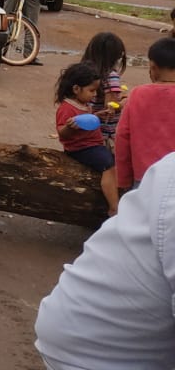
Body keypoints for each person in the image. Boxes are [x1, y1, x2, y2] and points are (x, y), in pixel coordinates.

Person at [35, 152, 175, 369]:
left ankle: (116, 204)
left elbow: (124, 137)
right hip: (100, 354)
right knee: (108, 167)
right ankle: (114, 205)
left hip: (86, 333)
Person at [53, 63, 119, 216]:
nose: (95, 94)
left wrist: (97, 115)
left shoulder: (83, 103)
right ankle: (114, 207)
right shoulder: (67, 108)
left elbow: (86, 121)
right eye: (92, 90)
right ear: (76, 89)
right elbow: (62, 132)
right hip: (82, 148)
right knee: (110, 166)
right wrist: (70, 127)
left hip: (92, 145)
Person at [115, 37, 175, 193]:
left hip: (144, 180)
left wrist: (123, 179)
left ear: (153, 67)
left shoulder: (138, 94)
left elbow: (122, 136)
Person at [81, 32, 127, 149]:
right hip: (104, 131)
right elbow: (110, 106)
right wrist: (125, 101)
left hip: (86, 126)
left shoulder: (85, 71)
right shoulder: (111, 76)